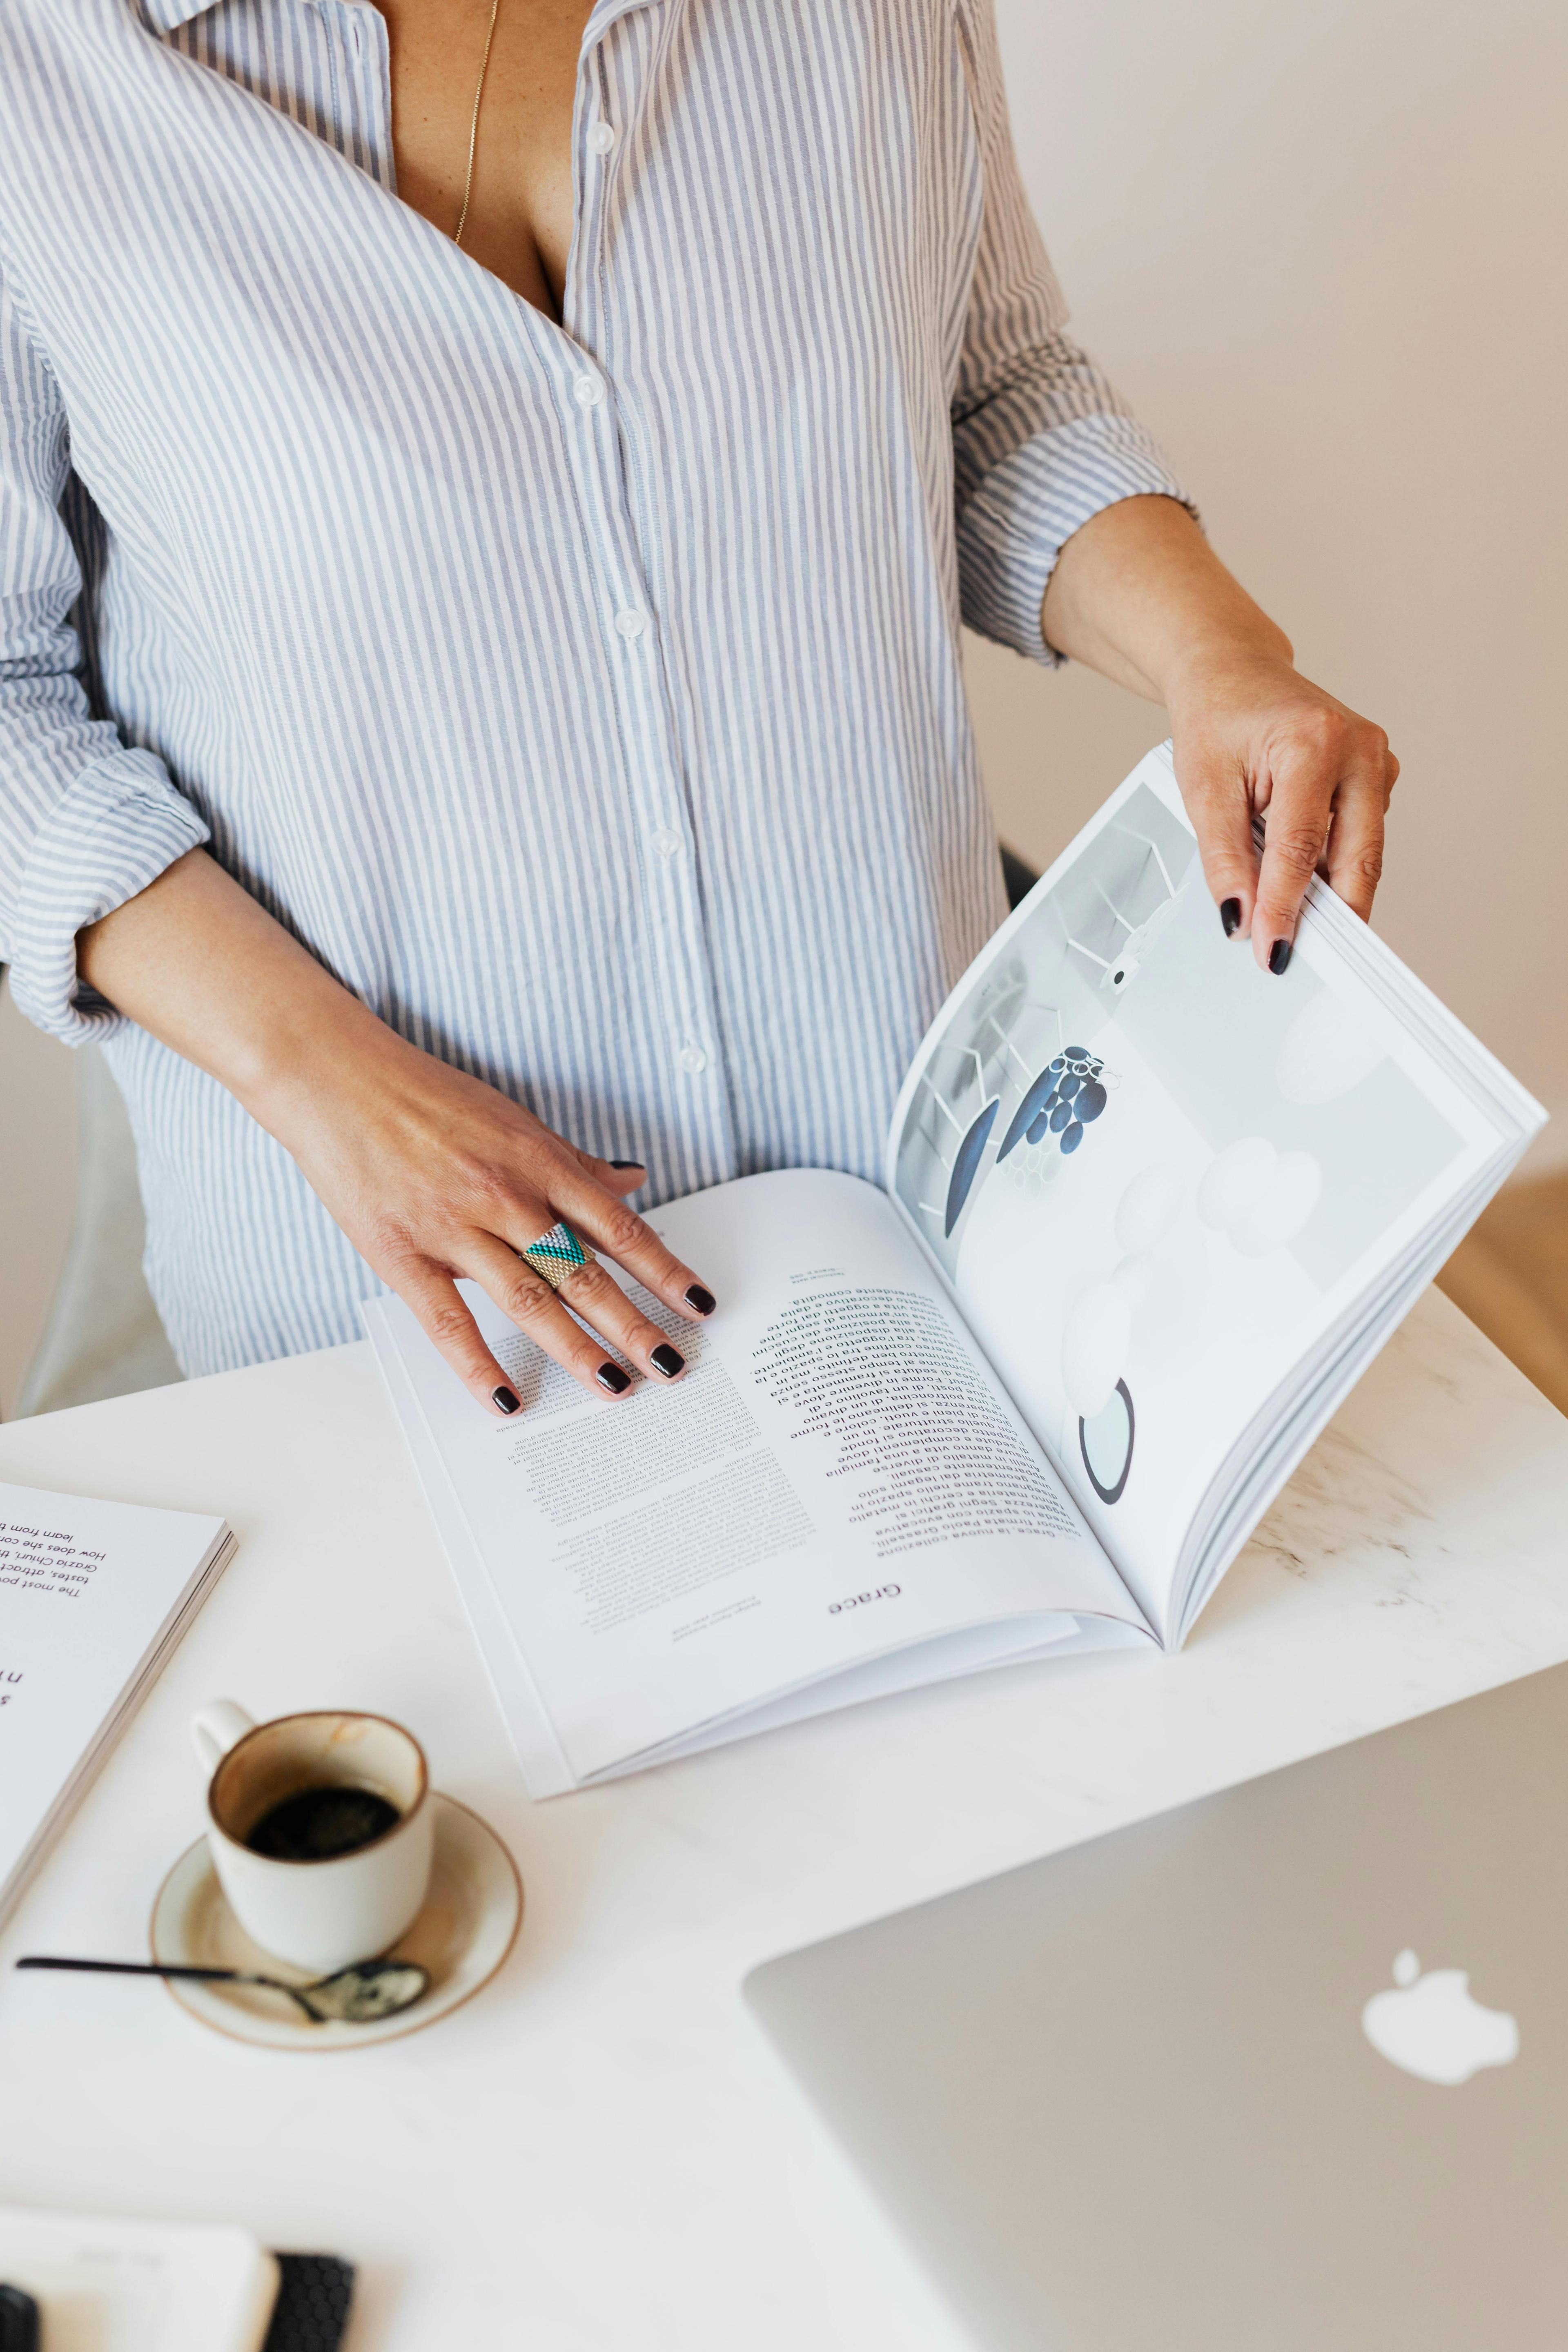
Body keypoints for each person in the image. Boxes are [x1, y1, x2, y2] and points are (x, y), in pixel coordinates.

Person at [0, 0, 1396, 1419]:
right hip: (412, 1312)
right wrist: (326, 1082)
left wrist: (1219, 652)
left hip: (927, 1231)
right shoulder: (36, 66)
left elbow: (986, 392)